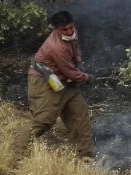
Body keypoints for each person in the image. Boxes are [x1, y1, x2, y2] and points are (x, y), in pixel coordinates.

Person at [22, 9, 95, 159]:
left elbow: (74, 52)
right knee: (44, 120)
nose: (69, 31)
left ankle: (85, 157)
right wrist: (86, 77)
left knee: (80, 115)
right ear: (56, 29)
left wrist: (77, 64)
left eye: (70, 27)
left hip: (64, 78)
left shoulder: (72, 33)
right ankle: (16, 151)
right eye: (64, 29)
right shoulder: (55, 47)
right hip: (45, 79)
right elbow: (69, 72)